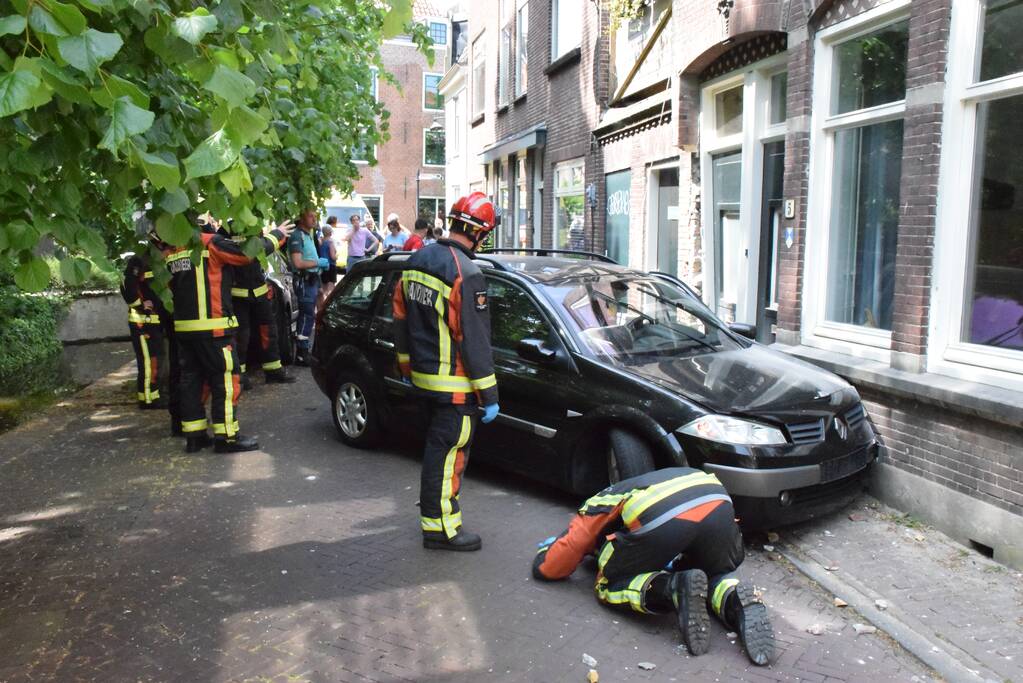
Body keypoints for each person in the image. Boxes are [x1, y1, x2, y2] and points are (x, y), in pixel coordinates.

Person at [531, 467, 774, 666]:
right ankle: (736, 601)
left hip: (662, 517)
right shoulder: (656, 478)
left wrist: (545, 554)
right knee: (715, 572)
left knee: (608, 584)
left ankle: (672, 589)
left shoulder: (599, 501)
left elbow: (554, 565)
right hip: (717, 501)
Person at [392, 192, 500, 552]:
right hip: (455, 388)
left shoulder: (417, 259)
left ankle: (434, 524)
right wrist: (489, 396)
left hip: (423, 381)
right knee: (449, 457)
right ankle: (444, 530)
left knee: (437, 454)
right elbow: (475, 341)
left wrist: (405, 366)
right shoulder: (466, 272)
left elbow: (401, 319)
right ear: (481, 234)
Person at [166, 216, 294, 453]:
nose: (215, 225)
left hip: (185, 330)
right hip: (213, 329)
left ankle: (195, 436)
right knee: (225, 381)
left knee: (192, 381)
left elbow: (172, 287)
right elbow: (246, 255)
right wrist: (276, 235)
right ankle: (227, 438)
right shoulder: (209, 242)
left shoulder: (173, 251)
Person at [120, 222, 180, 435]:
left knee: (157, 359)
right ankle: (147, 398)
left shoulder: (162, 263)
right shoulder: (141, 261)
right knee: (149, 361)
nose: (168, 253)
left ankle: (154, 394)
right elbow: (127, 285)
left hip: (156, 321)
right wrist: (138, 303)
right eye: (166, 249)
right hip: (142, 321)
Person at [220, 223, 296, 388]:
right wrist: (276, 234)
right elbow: (253, 250)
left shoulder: (254, 222)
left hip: (259, 290)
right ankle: (239, 376)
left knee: (269, 331)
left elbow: (262, 248)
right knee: (241, 336)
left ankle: (274, 370)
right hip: (238, 294)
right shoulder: (227, 227)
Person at [289, 210, 329, 366]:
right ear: (301, 217)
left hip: (313, 279)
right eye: (311, 216)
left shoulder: (308, 234)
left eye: (315, 216)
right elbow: (298, 263)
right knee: (306, 316)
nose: (314, 219)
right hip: (304, 281)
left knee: (311, 314)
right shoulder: (297, 236)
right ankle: (301, 353)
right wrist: (318, 263)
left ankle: (306, 350)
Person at [318, 219, 339, 309]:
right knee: (330, 289)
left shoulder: (320, 242)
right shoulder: (330, 242)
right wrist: (337, 255)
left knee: (323, 288)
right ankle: (329, 307)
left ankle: (322, 306)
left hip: (322, 266)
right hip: (330, 266)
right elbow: (333, 256)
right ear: (330, 232)